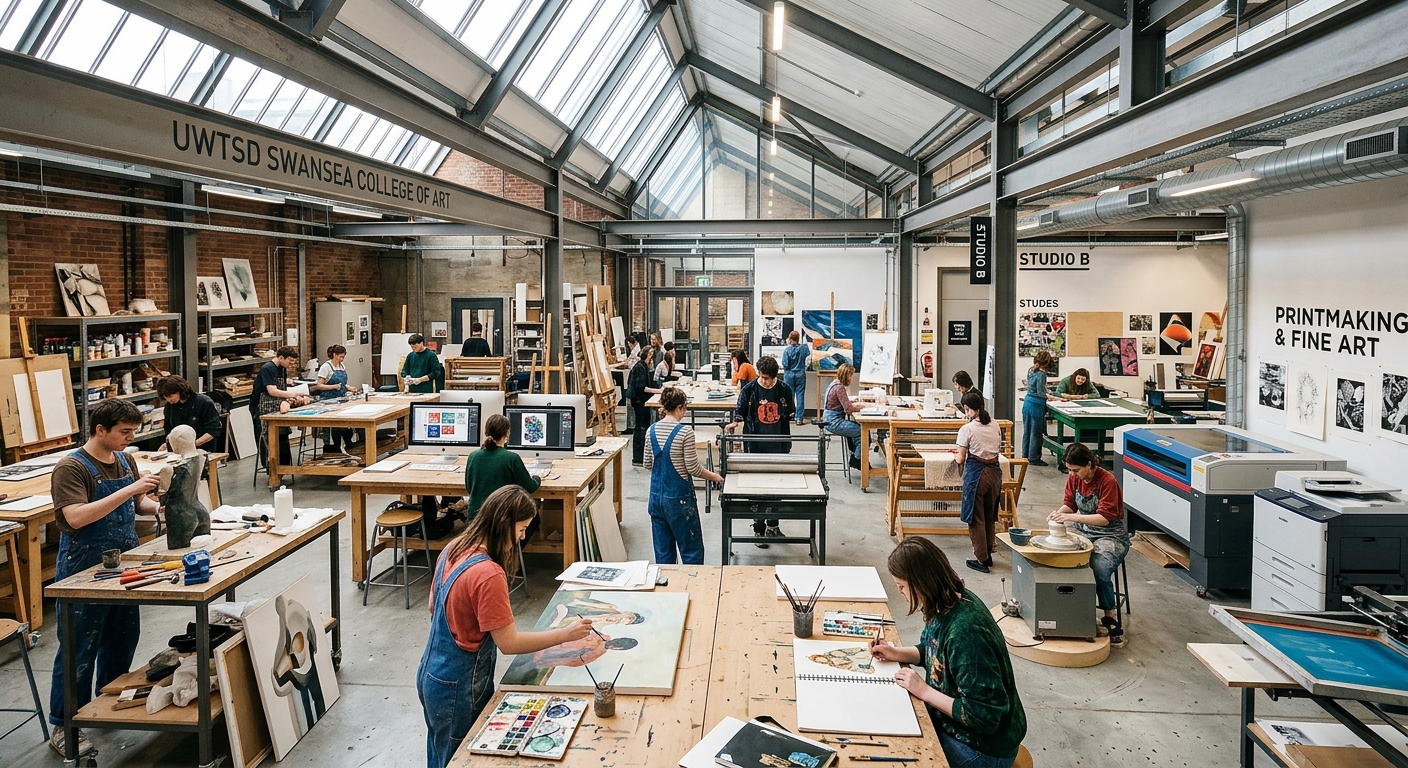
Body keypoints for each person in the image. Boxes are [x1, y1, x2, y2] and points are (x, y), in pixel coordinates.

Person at [417, 486, 592, 768]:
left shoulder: (454, 547)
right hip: (458, 689)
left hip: (431, 675)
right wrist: (565, 635)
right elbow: (508, 644)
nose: (522, 537)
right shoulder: (487, 573)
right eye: (521, 529)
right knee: (459, 760)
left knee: (440, 755)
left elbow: (433, 606)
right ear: (503, 522)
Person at [48, 399, 163, 757]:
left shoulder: (125, 459)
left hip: (123, 564)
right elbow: (77, 517)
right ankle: (64, 724)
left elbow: (137, 506)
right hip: (85, 568)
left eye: (133, 431)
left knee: (121, 639)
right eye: (124, 432)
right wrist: (129, 490)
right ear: (100, 430)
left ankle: (102, 704)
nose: (131, 438)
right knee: (79, 646)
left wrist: (158, 504)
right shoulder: (71, 468)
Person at [871, 537, 1027, 767]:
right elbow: (934, 653)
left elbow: (983, 716)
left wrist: (922, 690)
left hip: (982, 748)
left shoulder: (966, 633)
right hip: (961, 731)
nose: (899, 592)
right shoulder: (944, 602)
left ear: (921, 582)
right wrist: (896, 653)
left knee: (897, 755)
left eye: (902, 585)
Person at [1048, 443, 1129, 646]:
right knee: (1062, 558)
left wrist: (1073, 518)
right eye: (1070, 470)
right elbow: (1070, 503)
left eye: (1076, 470)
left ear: (1090, 464)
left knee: (1098, 568)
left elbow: (1104, 518)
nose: (1073, 474)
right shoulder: (1074, 478)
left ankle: (1110, 615)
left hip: (1110, 535)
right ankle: (1072, 611)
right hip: (1084, 530)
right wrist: (1059, 514)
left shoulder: (1107, 481)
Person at [643, 387, 723, 564]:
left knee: (663, 553)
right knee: (691, 551)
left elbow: (647, 463)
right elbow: (693, 469)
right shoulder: (685, 432)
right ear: (680, 407)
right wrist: (715, 477)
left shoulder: (651, 430)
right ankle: (692, 588)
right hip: (679, 501)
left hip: (656, 499)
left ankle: (669, 589)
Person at [727, 356, 796, 546]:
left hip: (778, 446)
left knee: (777, 486)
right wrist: (735, 421)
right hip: (754, 446)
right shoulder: (749, 390)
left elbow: (790, 412)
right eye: (763, 377)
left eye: (770, 378)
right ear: (758, 373)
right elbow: (740, 410)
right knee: (756, 487)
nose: (766, 381)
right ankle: (758, 528)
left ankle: (773, 525)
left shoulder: (784, 389)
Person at [956, 391, 1005, 573]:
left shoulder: (967, 429)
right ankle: (989, 553)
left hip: (977, 475)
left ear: (967, 408)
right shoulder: (995, 424)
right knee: (989, 515)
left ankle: (981, 558)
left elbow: (960, 458)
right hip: (994, 474)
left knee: (975, 518)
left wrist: (955, 456)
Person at [463, 414, 545, 522]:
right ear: (507, 433)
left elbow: (469, 488)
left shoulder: (473, 456)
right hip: (502, 518)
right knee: (535, 521)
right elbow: (529, 487)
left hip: (475, 519)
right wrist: (537, 478)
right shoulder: (511, 458)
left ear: (486, 433)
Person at [252, 346, 311, 480]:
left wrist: (293, 398)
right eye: (289, 361)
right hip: (263, 408)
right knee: (270, 438)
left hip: (277, 405)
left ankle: (284, 467)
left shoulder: (282, 369)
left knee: (282, 436)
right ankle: (272, 472)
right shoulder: (268, 368)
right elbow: (272, 391)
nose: (290, 364)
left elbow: (282, 389)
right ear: (281, 358)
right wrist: (293, 394)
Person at [156, 375, 221, 451]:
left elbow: (213, 430)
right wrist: (168, 444)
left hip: (202, 449)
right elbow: (169, 429)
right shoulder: (170, 406)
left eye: (170, 396)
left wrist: (193, 445)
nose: (168, 400)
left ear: (179, 391)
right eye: (165, 397)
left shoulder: (203, 402)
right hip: (179, 450)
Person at [822, 362, 863, 469]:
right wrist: (861, 407)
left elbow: (842, 402)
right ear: (847, 375)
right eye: (851, 376)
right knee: (862, 431)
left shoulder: (834, 383)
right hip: (834, 422)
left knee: (857, 428)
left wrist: (850, 402)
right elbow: (848, 409)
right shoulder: (839, 388)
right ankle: (857, 459)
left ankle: (856, 455)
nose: (851, 378)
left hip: (829, 419)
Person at [313, 345, 352, 455]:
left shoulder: (342, 366)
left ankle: (345, 447)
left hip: (341, 399)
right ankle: (332, 450)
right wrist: (333, 387)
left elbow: (342, 384)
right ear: (334, 355)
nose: (342, 359)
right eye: (340, 357)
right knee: (332, 427)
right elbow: (319, 385)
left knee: (344, 426)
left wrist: (348, 387)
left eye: (343, 357)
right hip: (328, 401)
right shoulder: (326, 367)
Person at [627, 346, 661, 465]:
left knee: (643, 426)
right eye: (651, 354)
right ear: (647, 355)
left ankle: (642, 456)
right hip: (639, 401)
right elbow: (641, 387)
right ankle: (638, 457)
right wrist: (658, 391)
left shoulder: (644, 366)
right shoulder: (640, 367)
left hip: (642, 401)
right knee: (640, 428)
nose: (652, 357)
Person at [1021, 352, 1052, 467]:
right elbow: (1040, 392)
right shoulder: (1041, 374)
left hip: (1027, 402)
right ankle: (1034, 457)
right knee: (1036, 433)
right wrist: (1050, 397)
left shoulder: (1031, 370)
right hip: (1036, 405)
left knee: (1027, 431)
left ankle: (1025, 455)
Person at [781, 330, 809, 425]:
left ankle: (788, 414)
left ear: (790, 339)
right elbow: (808, 354)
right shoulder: (803, 348)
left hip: (789, 374)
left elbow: (785, 364)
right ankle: (799, 418)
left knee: (789, 395)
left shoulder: (787, 350)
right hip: (800, 373)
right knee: (800, 395)